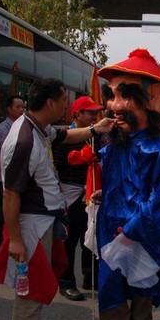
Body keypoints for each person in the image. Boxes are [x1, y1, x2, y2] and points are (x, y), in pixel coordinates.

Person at [0, 78, 114, 320]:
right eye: (63, 100)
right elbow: (10, 194)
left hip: (43, 220)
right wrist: (17, 239)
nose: (67, 106)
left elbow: (63, 137)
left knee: (41, 281)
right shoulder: (23, 140)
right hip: (31, 225)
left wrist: (96, 129)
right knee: (30, 287)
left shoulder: (37, 127)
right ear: (50, 103)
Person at [93, 48, 160, 320]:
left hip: (142, 227)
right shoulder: (115, 145)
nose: (114, 105)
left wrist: (135, 226)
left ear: (151, 98)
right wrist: (104, 194)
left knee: (142, 278)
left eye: (124, 95)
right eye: (111, 96)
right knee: (109, 276)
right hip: (111, 222)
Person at [53, 96, 104, 301]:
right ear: (77, 114)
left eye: (95, 112)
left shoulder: (97, 135)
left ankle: (90, 277)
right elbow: (54, 168)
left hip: (92, 195)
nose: (94, 116)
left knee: (90, 237)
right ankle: (65, 283)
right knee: (69, 241)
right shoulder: (64, 136)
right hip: (69, 195)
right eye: (90, 112)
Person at [0, 95, 25, 247]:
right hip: (4, 179)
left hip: (17, 178)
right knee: (7, 216)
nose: (21, 110)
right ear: (9, 109)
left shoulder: (24, 126)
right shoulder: (2, 129)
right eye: (17, 107)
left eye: (23, 107)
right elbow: (12, 151)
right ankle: (3, 245)